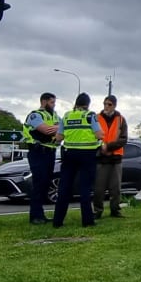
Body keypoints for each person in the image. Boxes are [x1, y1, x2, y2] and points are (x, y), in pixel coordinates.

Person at [53, 93, 103, 227]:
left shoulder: (67, 116)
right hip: (87, 155)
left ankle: (57, 221)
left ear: (76, 103)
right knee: (85, 188)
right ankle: (87, 221)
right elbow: (99, 134)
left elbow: (59, 137)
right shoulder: (90, 115)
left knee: (64, 188)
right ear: (88, 104)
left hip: (69, 155)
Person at [22, 92, 61, 225]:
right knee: (39, 183)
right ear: (44, 102)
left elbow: (65, 129)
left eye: (54, 102)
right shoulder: (35, 115)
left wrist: (57, 128)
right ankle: (35, 216)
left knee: (45, 183)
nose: (54, 105)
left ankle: (41, 215)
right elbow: (46, 130)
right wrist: (58, 129)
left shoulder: (54, 115)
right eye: (52, 102)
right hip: (38, 152)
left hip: (50, 152)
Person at [93, 95, 128, 219]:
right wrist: (102, 148)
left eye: (109, 104)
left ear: (114, 105)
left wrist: (108, 147)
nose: (106, 107)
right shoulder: (96, 118)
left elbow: (123, 139)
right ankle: (97, 210)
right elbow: (93, 136)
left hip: (115, 157)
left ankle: (115, 210)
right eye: (105, 104)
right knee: (99, 188)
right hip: (101, 157)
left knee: (116, 188)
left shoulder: (121, 119)